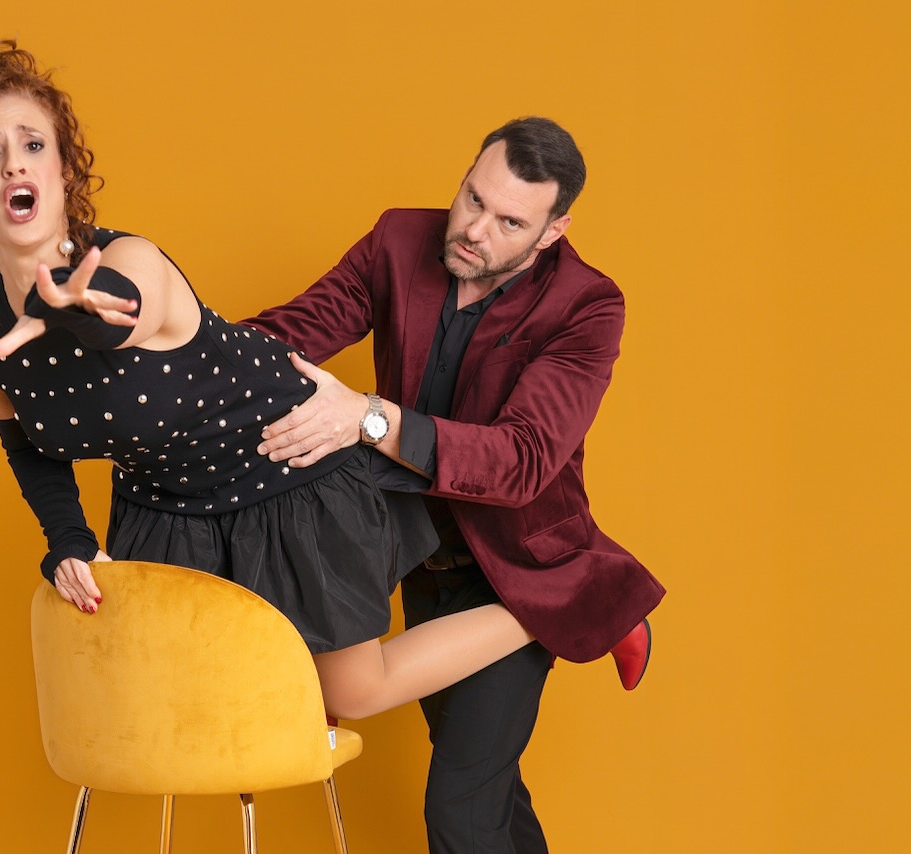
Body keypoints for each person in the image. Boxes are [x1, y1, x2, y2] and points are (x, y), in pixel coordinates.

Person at [0, 39, 579, 723]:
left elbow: (120, 319)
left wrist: (58, 295)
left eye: (33, 145)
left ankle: (554, 609)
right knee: (188, 720)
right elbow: (22, 436)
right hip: (164, 502)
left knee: (350, 694)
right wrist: (68, 538)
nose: (15, 163)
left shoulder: (132, 262)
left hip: (283, 469)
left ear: (62, 172)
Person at [246, 116, 666, 852]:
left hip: (520, 571)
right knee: (489, 795)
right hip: (420, 561)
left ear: (553, 231)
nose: (474, 230)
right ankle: (606, 611)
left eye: (510, 222)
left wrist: (369, 417)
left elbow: (523, 458)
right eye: (473, 198)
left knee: (461, 810)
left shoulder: (587, 306)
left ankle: (588, 599)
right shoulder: (399, 240)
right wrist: (171, 342)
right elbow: (293, 331)